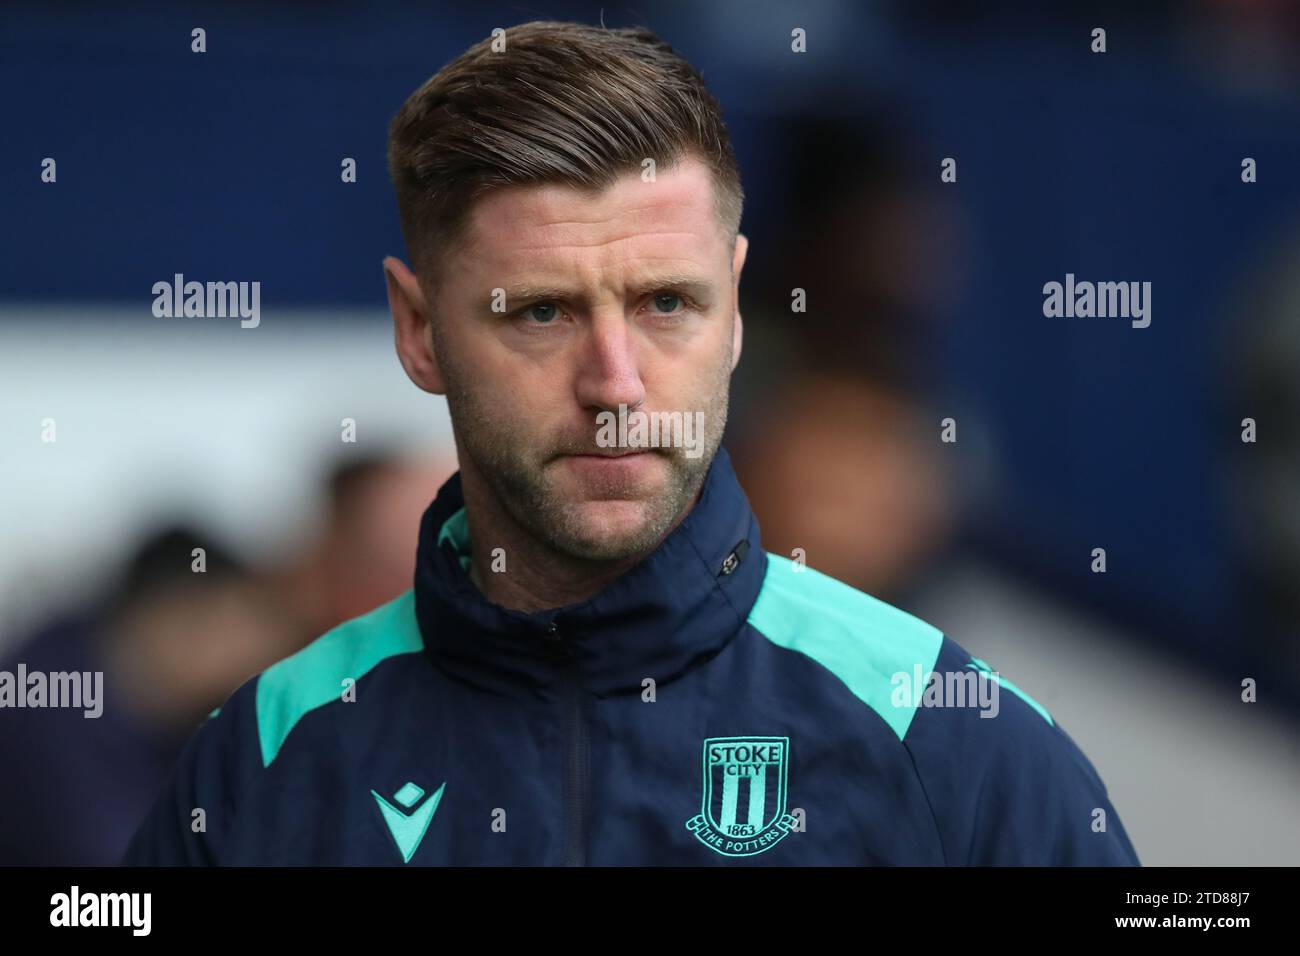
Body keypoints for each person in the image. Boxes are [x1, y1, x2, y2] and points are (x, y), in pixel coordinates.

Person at [122, 20, 1138, 866]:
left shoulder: (955, 744)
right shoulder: (266, 758)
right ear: (420, 330)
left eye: (665, 302)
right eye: (542, 313)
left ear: (735, 312)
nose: (615, 383)